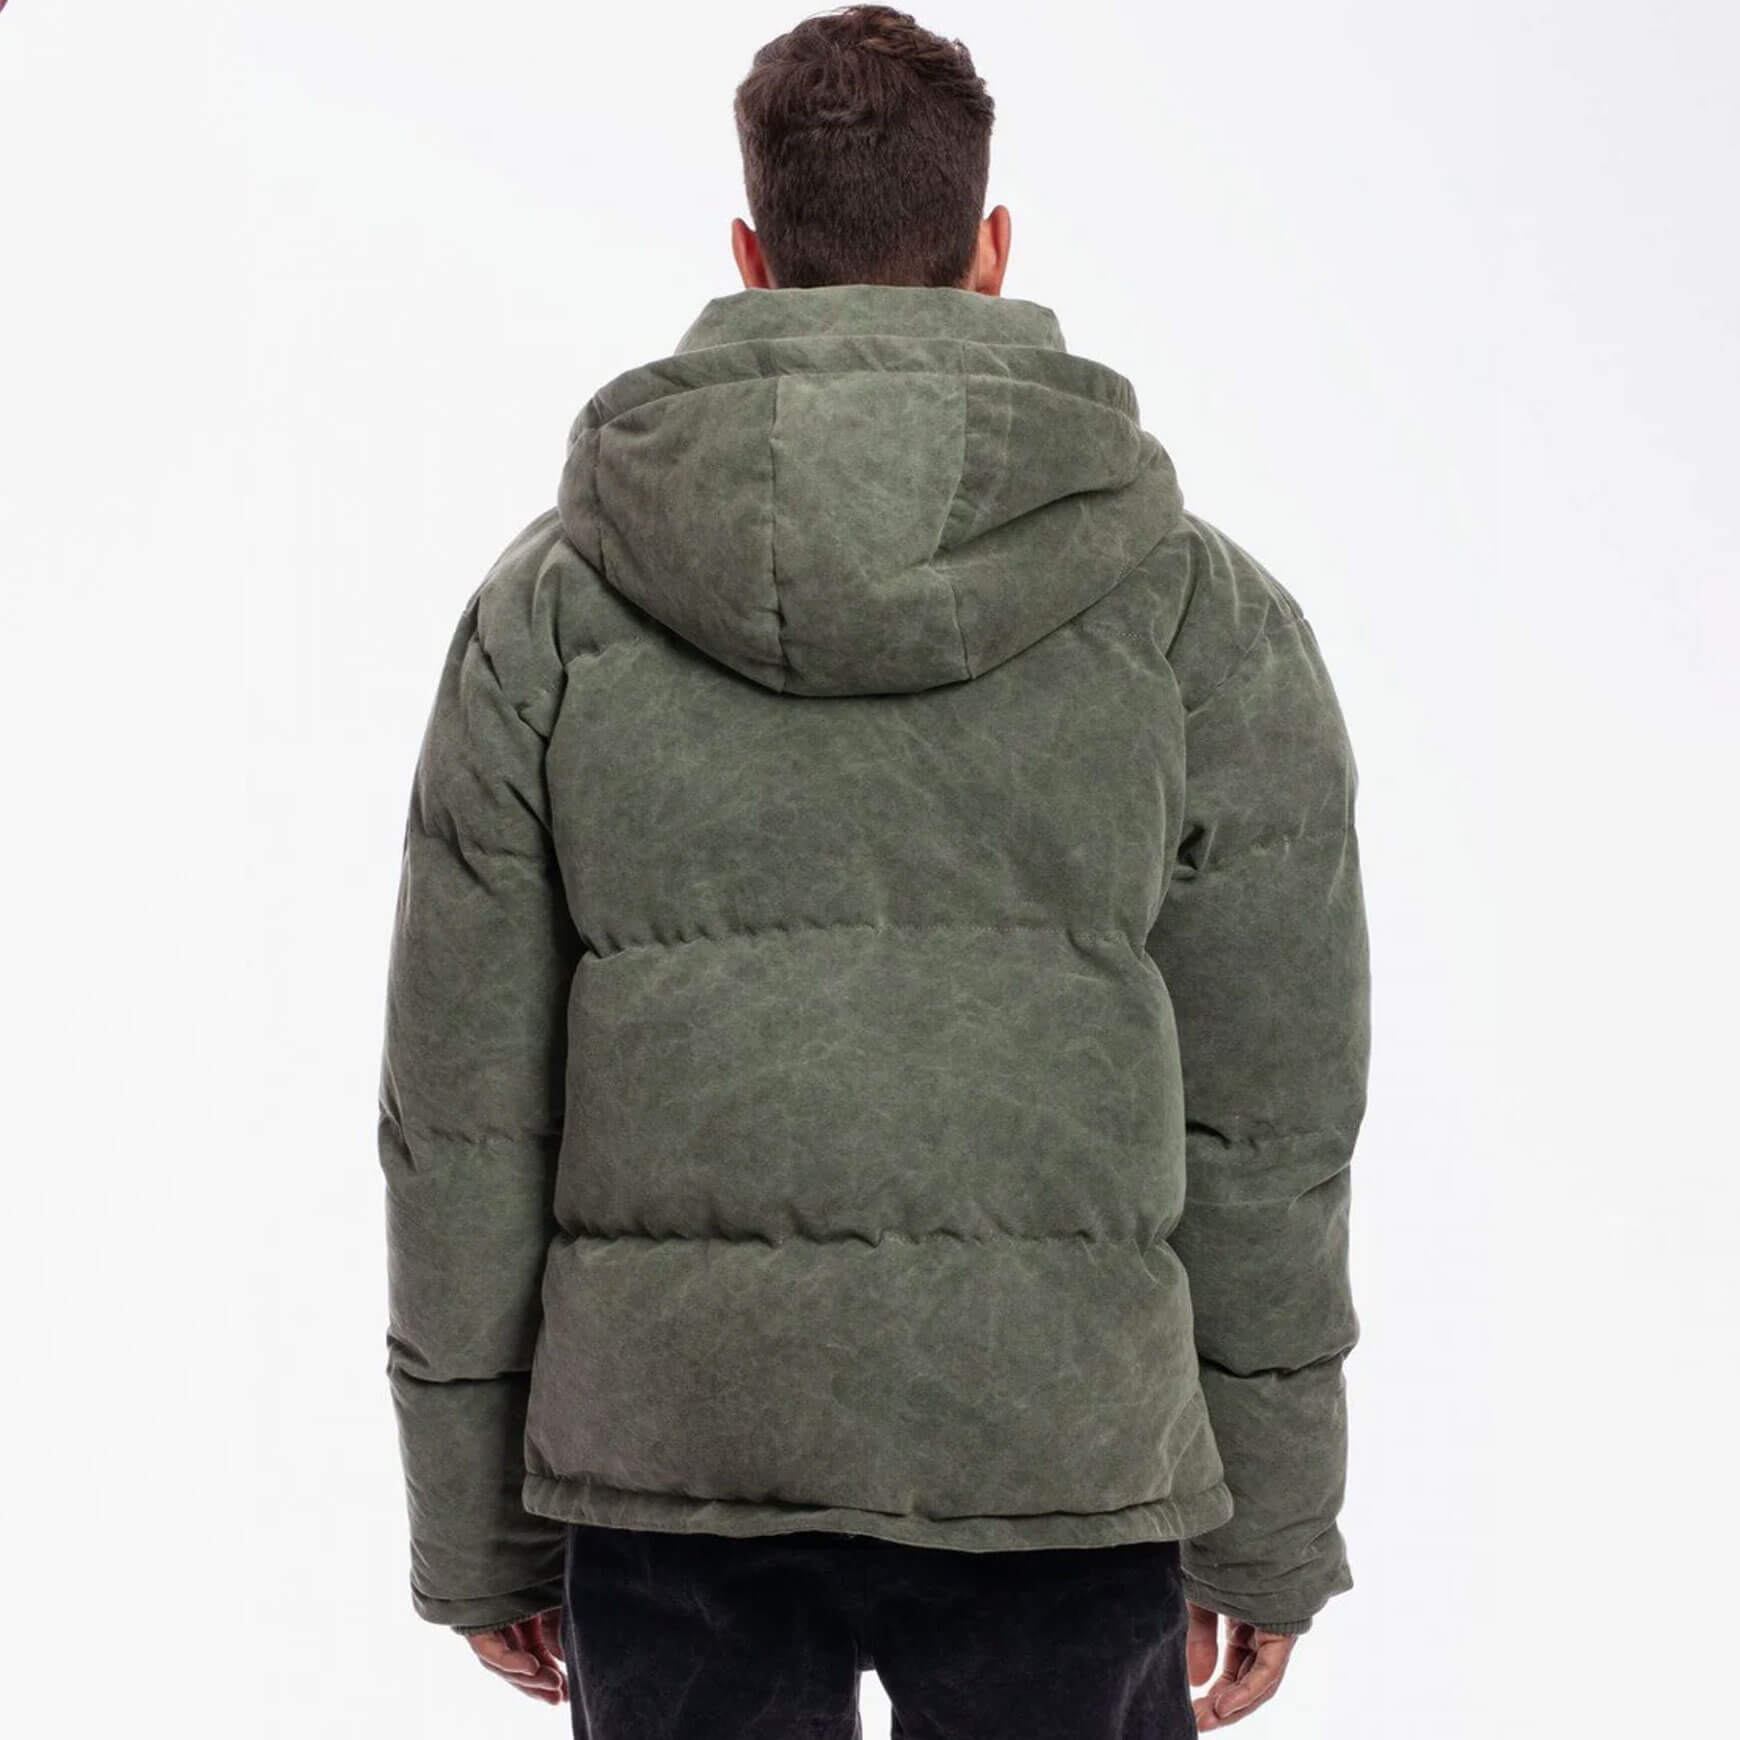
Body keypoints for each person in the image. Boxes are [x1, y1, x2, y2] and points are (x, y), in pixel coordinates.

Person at [375, 6, 1371, 1734]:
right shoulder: (1200, 617)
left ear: (753, 258)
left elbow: (460, 1120)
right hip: (1064, 1453)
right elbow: (1273, 1126)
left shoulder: (549, 614)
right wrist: (1269, 1526)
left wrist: (477, 1535)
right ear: (992, 249)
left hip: (671, 1456)